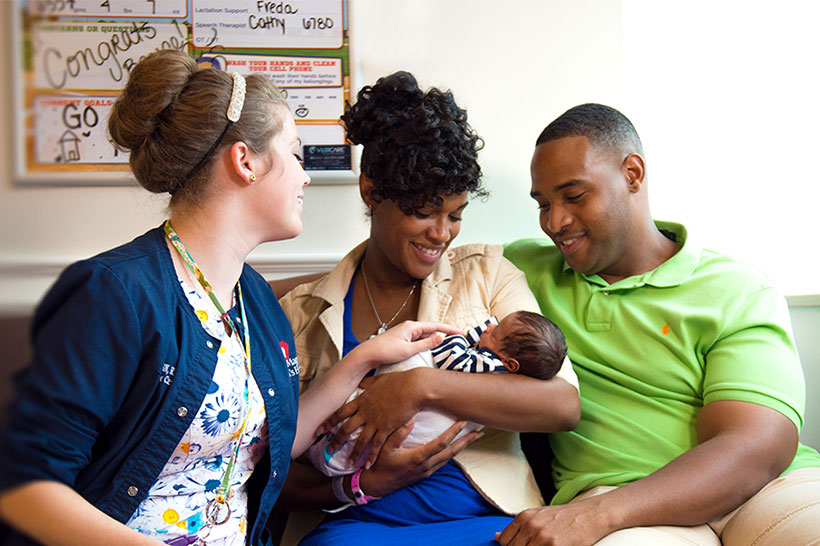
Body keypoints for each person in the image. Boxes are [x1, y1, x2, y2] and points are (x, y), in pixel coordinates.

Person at [0, 50, 460, 546]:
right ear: (245, 162)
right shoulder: (114, 292)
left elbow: (272, 440)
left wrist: (365, 357)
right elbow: (25, 490)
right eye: (296, 154)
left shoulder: (256, 302)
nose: (307, 177)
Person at [273, 71, 580, 545]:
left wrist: (419, 387)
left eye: (455, 214)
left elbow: (560, 404)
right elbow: (274, 471)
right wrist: (362, 484)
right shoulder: (302, 313)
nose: (442, 233)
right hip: (361, 527)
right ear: (371, 191)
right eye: (424, 210)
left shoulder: (489, 274)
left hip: (488, 521)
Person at [500, 103, 820, 545]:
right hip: (624, 511)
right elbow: (422, 258)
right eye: (543, 204)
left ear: (632, 174)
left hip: (766, 492)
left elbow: (758, 447)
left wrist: (595, 514)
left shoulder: (735, 286)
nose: (555, 222)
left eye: (574, 196)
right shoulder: (517, 271)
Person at [308, 311, 568, 477]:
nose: (488, 326)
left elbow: (450, 358)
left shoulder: (488, 369)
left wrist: (451, 339)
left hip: (398, 438)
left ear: (510, 364)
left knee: (357, 434)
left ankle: (331, 452)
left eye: (496, 332)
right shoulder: (501, 363)